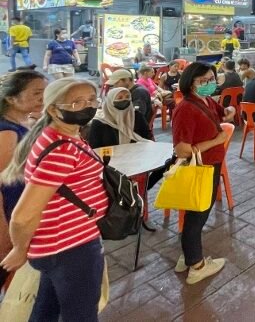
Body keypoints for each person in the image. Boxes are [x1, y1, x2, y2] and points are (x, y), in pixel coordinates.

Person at [0, 78, 106, 320]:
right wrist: (19, 248)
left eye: (91, 100)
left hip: (57, 243)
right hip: (70, 247)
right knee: (81, 315)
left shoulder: (56, 135)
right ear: (53, 109)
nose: (86, 106)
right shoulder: (62, 149)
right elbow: (23, 214)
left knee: (47, 309)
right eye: (76, 102)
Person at [171, 62, 235, 284]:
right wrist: (216, 141)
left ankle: (189, 256)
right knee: (198, 214)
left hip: (211, 163)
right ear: (190, 82)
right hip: (200, 166)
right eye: (203, 81)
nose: (208, 84)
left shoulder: (206, 100)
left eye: (211, 80)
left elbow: (222, 117)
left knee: (196, 213)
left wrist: (230, 111)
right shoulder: (185, 108)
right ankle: (197, 265)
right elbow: (181, 149)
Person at [0, 70, 46, 288]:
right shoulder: (6, 133)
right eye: (37, 93)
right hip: (11, 214)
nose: (43, 98)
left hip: (23, 210)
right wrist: (4, 233)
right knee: (14, 283)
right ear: (11, 98)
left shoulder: (25, 122)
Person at [87, 87, 153, 148]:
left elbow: (147, 136)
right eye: (120, 98)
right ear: (110, 101)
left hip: (139, 156)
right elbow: (94, 148)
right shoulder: (99, 123)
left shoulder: (136, 116)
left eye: (127, 97)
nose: (125, 99)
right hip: (110, 159)